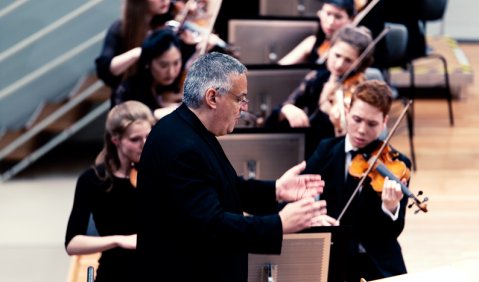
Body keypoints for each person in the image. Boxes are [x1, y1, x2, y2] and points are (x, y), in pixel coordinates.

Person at [136, 52, 337, 282]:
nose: (244, 107)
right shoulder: (182, 146)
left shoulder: (186, 128)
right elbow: (212, 227)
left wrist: (276, 190)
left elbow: (222, 185)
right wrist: (278, 224)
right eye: (240, 98)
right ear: (212, 97)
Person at [303, 80, 410, 281]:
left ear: (385, 122)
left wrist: (390, 207)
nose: (361, 130)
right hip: (332, 255)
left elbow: (391, 233)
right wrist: (312, 218)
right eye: (357, 119)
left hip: (375, 260)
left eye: (372, 124)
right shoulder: (325, 150)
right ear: (347, 110)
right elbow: (298, 196)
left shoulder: (398, 163)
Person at [64, 101, 155, 282]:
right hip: (116, 272)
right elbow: (72, 244)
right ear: (116, 140)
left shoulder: (156, 173)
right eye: (135, 139)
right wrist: (119, 240)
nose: (144, 145)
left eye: (148, 137)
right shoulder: (93, 180)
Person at [266, 25, 374, 139]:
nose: (339, 65)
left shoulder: (360, 90)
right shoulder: (318, 76)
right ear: (329, 50)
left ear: (359, 63)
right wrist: (287, 109)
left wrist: (339, 125)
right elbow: (275, 116)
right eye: (337, 55)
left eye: (348, 60)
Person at [114, 28, 183, 120]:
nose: (171, 72)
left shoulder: (181, 80)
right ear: (148, 63)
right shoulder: (128, 90)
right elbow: (122, 122)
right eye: (163, 65)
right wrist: (154, 114)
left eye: (176, 63)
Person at [278, 0, 355, 65]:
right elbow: (280, 68)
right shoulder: (312, 42)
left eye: (338, 17)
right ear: (320, 13)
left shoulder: (352, 50)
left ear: (351, 19)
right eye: (328, 14)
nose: (330, 22)